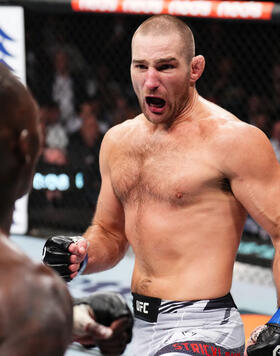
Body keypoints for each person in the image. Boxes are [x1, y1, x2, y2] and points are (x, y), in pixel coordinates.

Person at [43, 15, 280, 355]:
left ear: (195, 69)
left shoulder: (234, 141)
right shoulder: (118, 141)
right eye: (141, 67)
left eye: (165, 67)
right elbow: (110, 233)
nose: (150, 81)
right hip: (138, 323)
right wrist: (81, 253)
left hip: (203, 327)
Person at [0, 63, 133, 355]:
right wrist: (53, 316)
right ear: (27, 149)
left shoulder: (33, 300)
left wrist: (67, 318)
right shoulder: (34, 294)